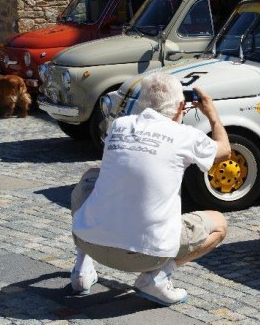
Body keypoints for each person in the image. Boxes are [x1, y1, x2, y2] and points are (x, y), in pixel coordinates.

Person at [70, 72, 231, 306]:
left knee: (90, 177)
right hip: (147, 256)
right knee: (218, 224)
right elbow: (224, 150)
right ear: (179, 107)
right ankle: (157, 277)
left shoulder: (119, 126)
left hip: (89, 242)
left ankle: (81, 270)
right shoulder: (185, 135)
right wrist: (212, 115)